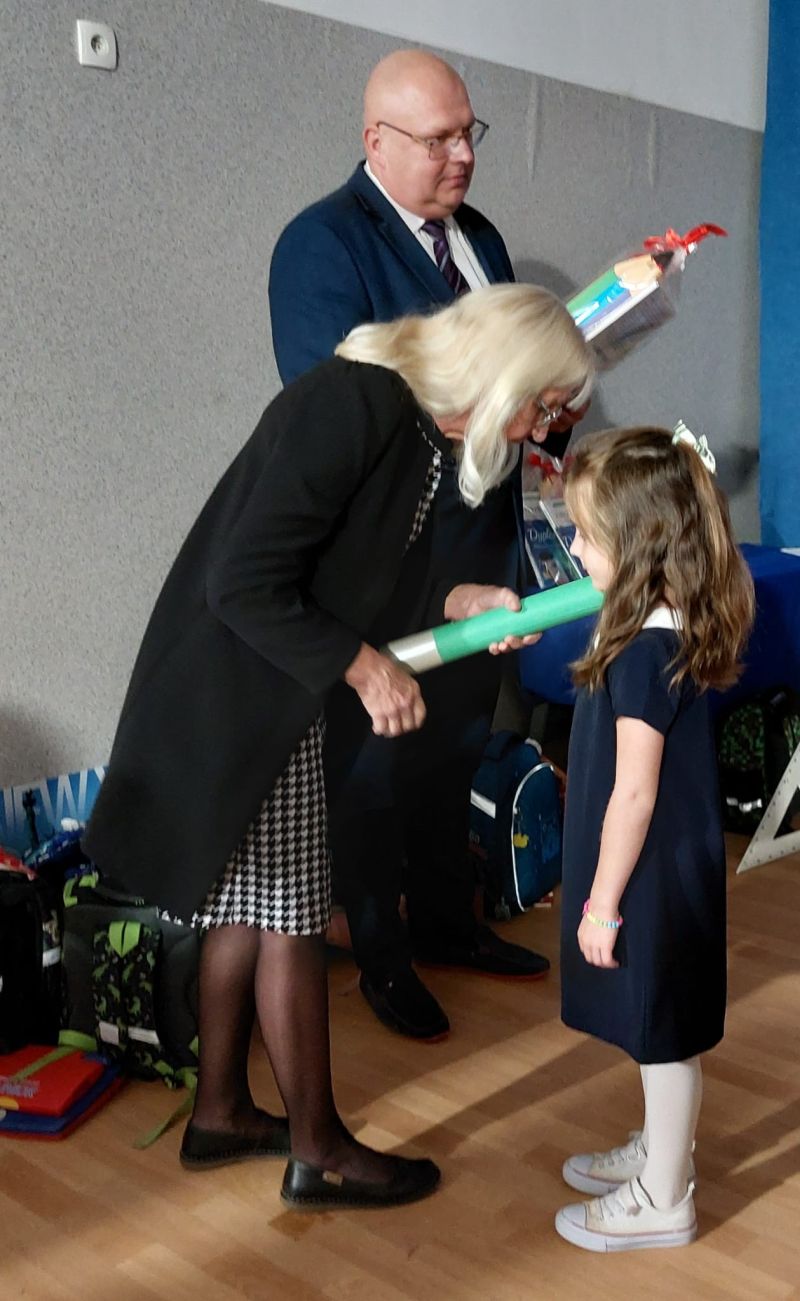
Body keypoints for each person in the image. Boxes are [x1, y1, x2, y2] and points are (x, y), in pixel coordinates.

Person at [83, 284, 592, 1211]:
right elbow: (243, 580)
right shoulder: (353, 403)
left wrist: (464, 603)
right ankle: (318, 1148)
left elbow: (363, 584)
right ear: (503, 374)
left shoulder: (415, 432)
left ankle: (221, 1113)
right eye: (542, 403)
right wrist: (363, 668)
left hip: (273, 694)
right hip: (241, 696)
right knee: (289, 913)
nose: (538, 428)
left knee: (247, 910)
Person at [269, 48, 589, 1042]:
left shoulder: (479, 238)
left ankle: (450, 921)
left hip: (480, 545)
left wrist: (550, 414)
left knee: (453, 745)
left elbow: (507, 380)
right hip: (390, 555)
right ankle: (383, 957)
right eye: (439, 138)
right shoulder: (321, 244)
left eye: (468, 133)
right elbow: (332, 406)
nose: (463, 155)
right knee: (376, 764)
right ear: (376, 139)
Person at [552, 425, 754, 1251]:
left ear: (636, 546)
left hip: (648, 876)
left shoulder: (644, 651)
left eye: (585, 534)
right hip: (666, 865)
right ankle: (661, 1150)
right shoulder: (657, 626)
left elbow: (634, 792)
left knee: (663, 1032)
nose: (573, 547)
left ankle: (665, 1195)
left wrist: (601, 903)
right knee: (655, 1025)